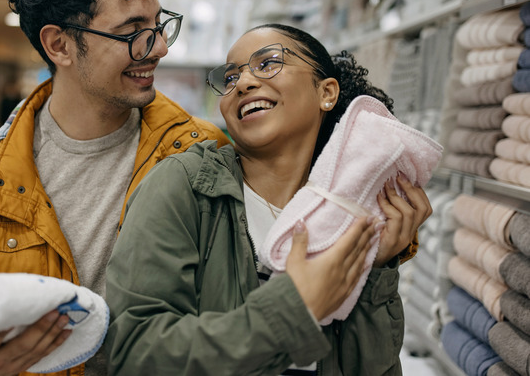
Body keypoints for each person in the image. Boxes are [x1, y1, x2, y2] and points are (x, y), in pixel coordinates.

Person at [0, 0, 230, 375]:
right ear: (59, 46)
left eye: (159, 25)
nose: (158, 48)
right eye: (132, 33)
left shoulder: (205, 154)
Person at [105, 23, 433, 375]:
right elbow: (137, 354)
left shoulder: (347, 218)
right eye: (230, 78)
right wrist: (293, 309)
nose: (242, 83)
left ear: (327, 92)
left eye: (268, 63)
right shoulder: (185, 186)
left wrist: (374, 273)